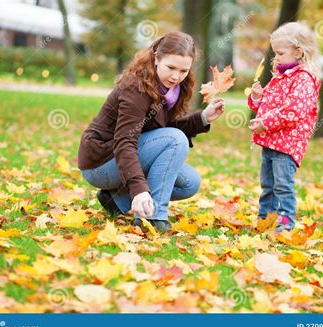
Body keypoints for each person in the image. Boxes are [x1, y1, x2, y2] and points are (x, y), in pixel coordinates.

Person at [78, 32, 225, 232]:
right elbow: (125, 142)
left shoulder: (172, 89)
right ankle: (153, 217)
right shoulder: (136, 87)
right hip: (101, 162)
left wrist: (203, 118)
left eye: (183, 70)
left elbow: (163, 130)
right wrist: (138, 189)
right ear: (156, 57)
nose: (176, 76)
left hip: (124, 157)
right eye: (171, 68)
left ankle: (117, 200)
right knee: (175, 140)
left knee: (190, 183)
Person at [248, 22, 321, 232]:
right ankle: (266, 219)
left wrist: (265, 123)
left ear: (298, 52)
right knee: (267, 185)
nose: (276, 58)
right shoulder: (280, 76)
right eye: (275, 53)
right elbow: (266, 107)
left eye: (280, 53)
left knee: (282, 185)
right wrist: (256, 97)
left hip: (287, 144)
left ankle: (286, 222)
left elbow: (293, 111)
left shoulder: (304, 79)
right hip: (270, 141)